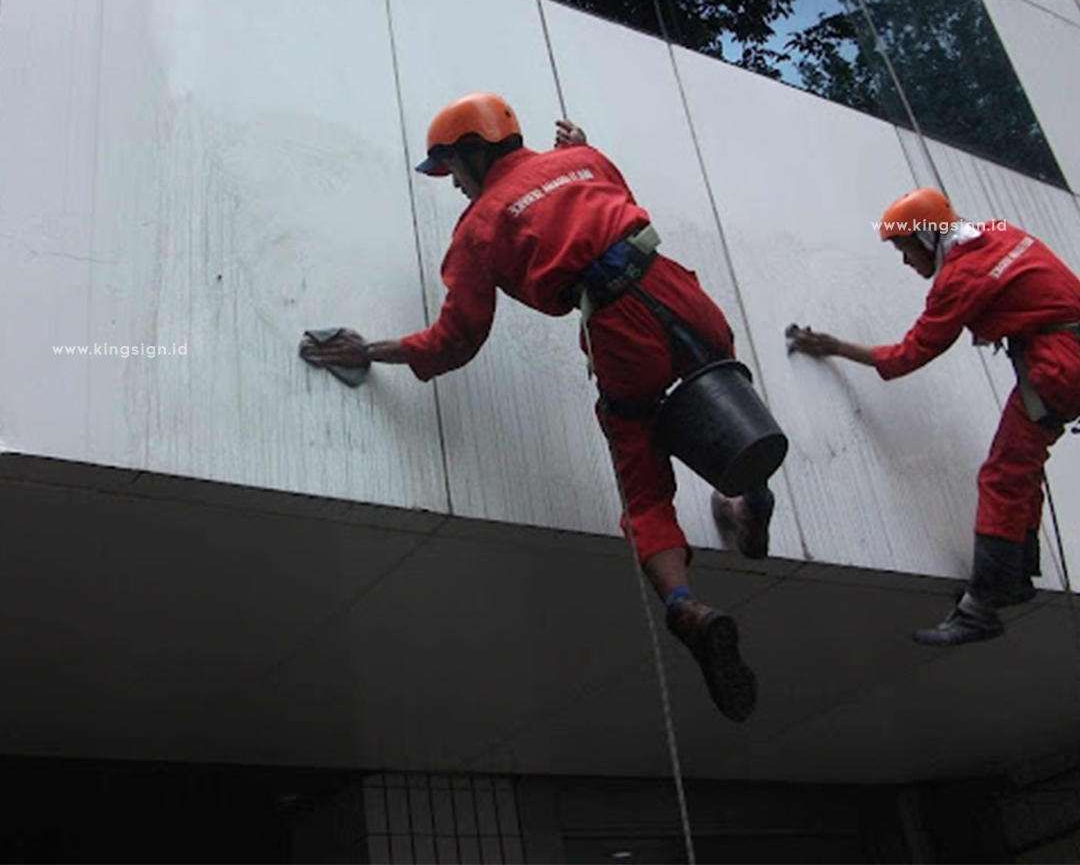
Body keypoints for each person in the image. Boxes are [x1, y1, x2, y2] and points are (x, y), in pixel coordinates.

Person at [300, 92, 776, 720]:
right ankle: (752, 497)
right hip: (679, 290)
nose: (456, 188)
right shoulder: (585, 157)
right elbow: (603, 194)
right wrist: (577, 147)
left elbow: (455, 341)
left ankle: (687, 609)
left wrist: (371, 350)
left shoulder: (479, 228)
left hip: (616, 327)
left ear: (472, 153)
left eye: (452, 171)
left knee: (642, 480)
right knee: (721, 386)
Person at [788, 187, 1080, 645]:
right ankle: (1016, 575)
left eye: (905, 247)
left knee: (1002, 476)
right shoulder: (998, 233)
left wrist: (836, 347)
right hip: (1066, 354)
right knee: (1021, 469)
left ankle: (982, 605)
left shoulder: (960, 278)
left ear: (926, 236)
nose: (906, 261)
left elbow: (910, 354)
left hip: (1059, 364)